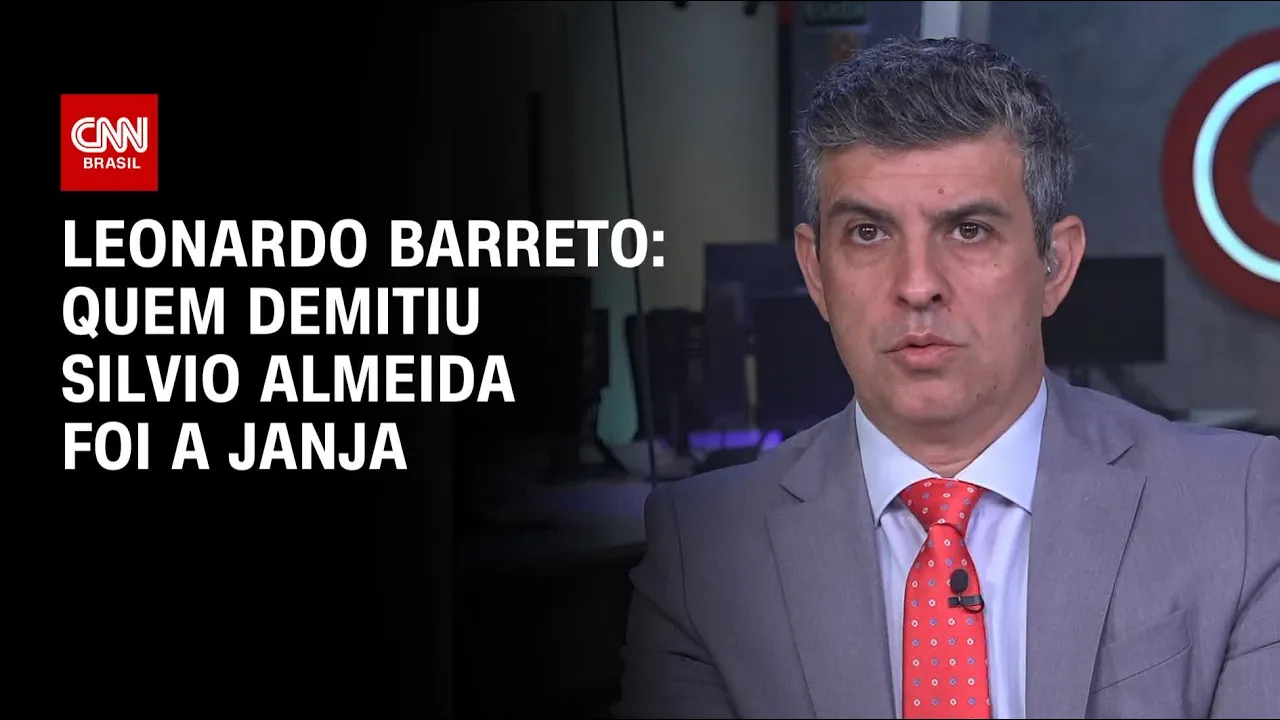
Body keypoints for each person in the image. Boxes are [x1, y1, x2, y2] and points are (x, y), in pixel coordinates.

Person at [614, 37, 1278, 719]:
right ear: (815, 273)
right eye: (868, 233)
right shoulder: (704, 547)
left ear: (1055, 265)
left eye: (968, 230)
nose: (917, 285)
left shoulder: (1240, 507)